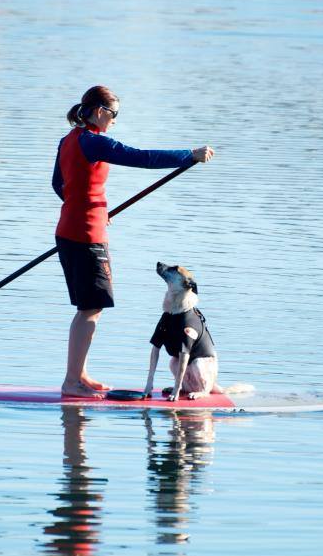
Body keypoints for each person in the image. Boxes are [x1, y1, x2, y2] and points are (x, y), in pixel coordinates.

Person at [52, 86, 214, 397]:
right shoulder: (93, 142)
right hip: (86, 236)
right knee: (91, 308)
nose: (113, 122)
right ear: (100, 111)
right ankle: (71, 382)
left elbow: (59, 184)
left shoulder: (68, 141)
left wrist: (91, 207)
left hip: (69, 229)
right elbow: (140, 157)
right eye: (113, 115)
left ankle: (78, 375)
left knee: (90, 307)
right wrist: (188, 156)